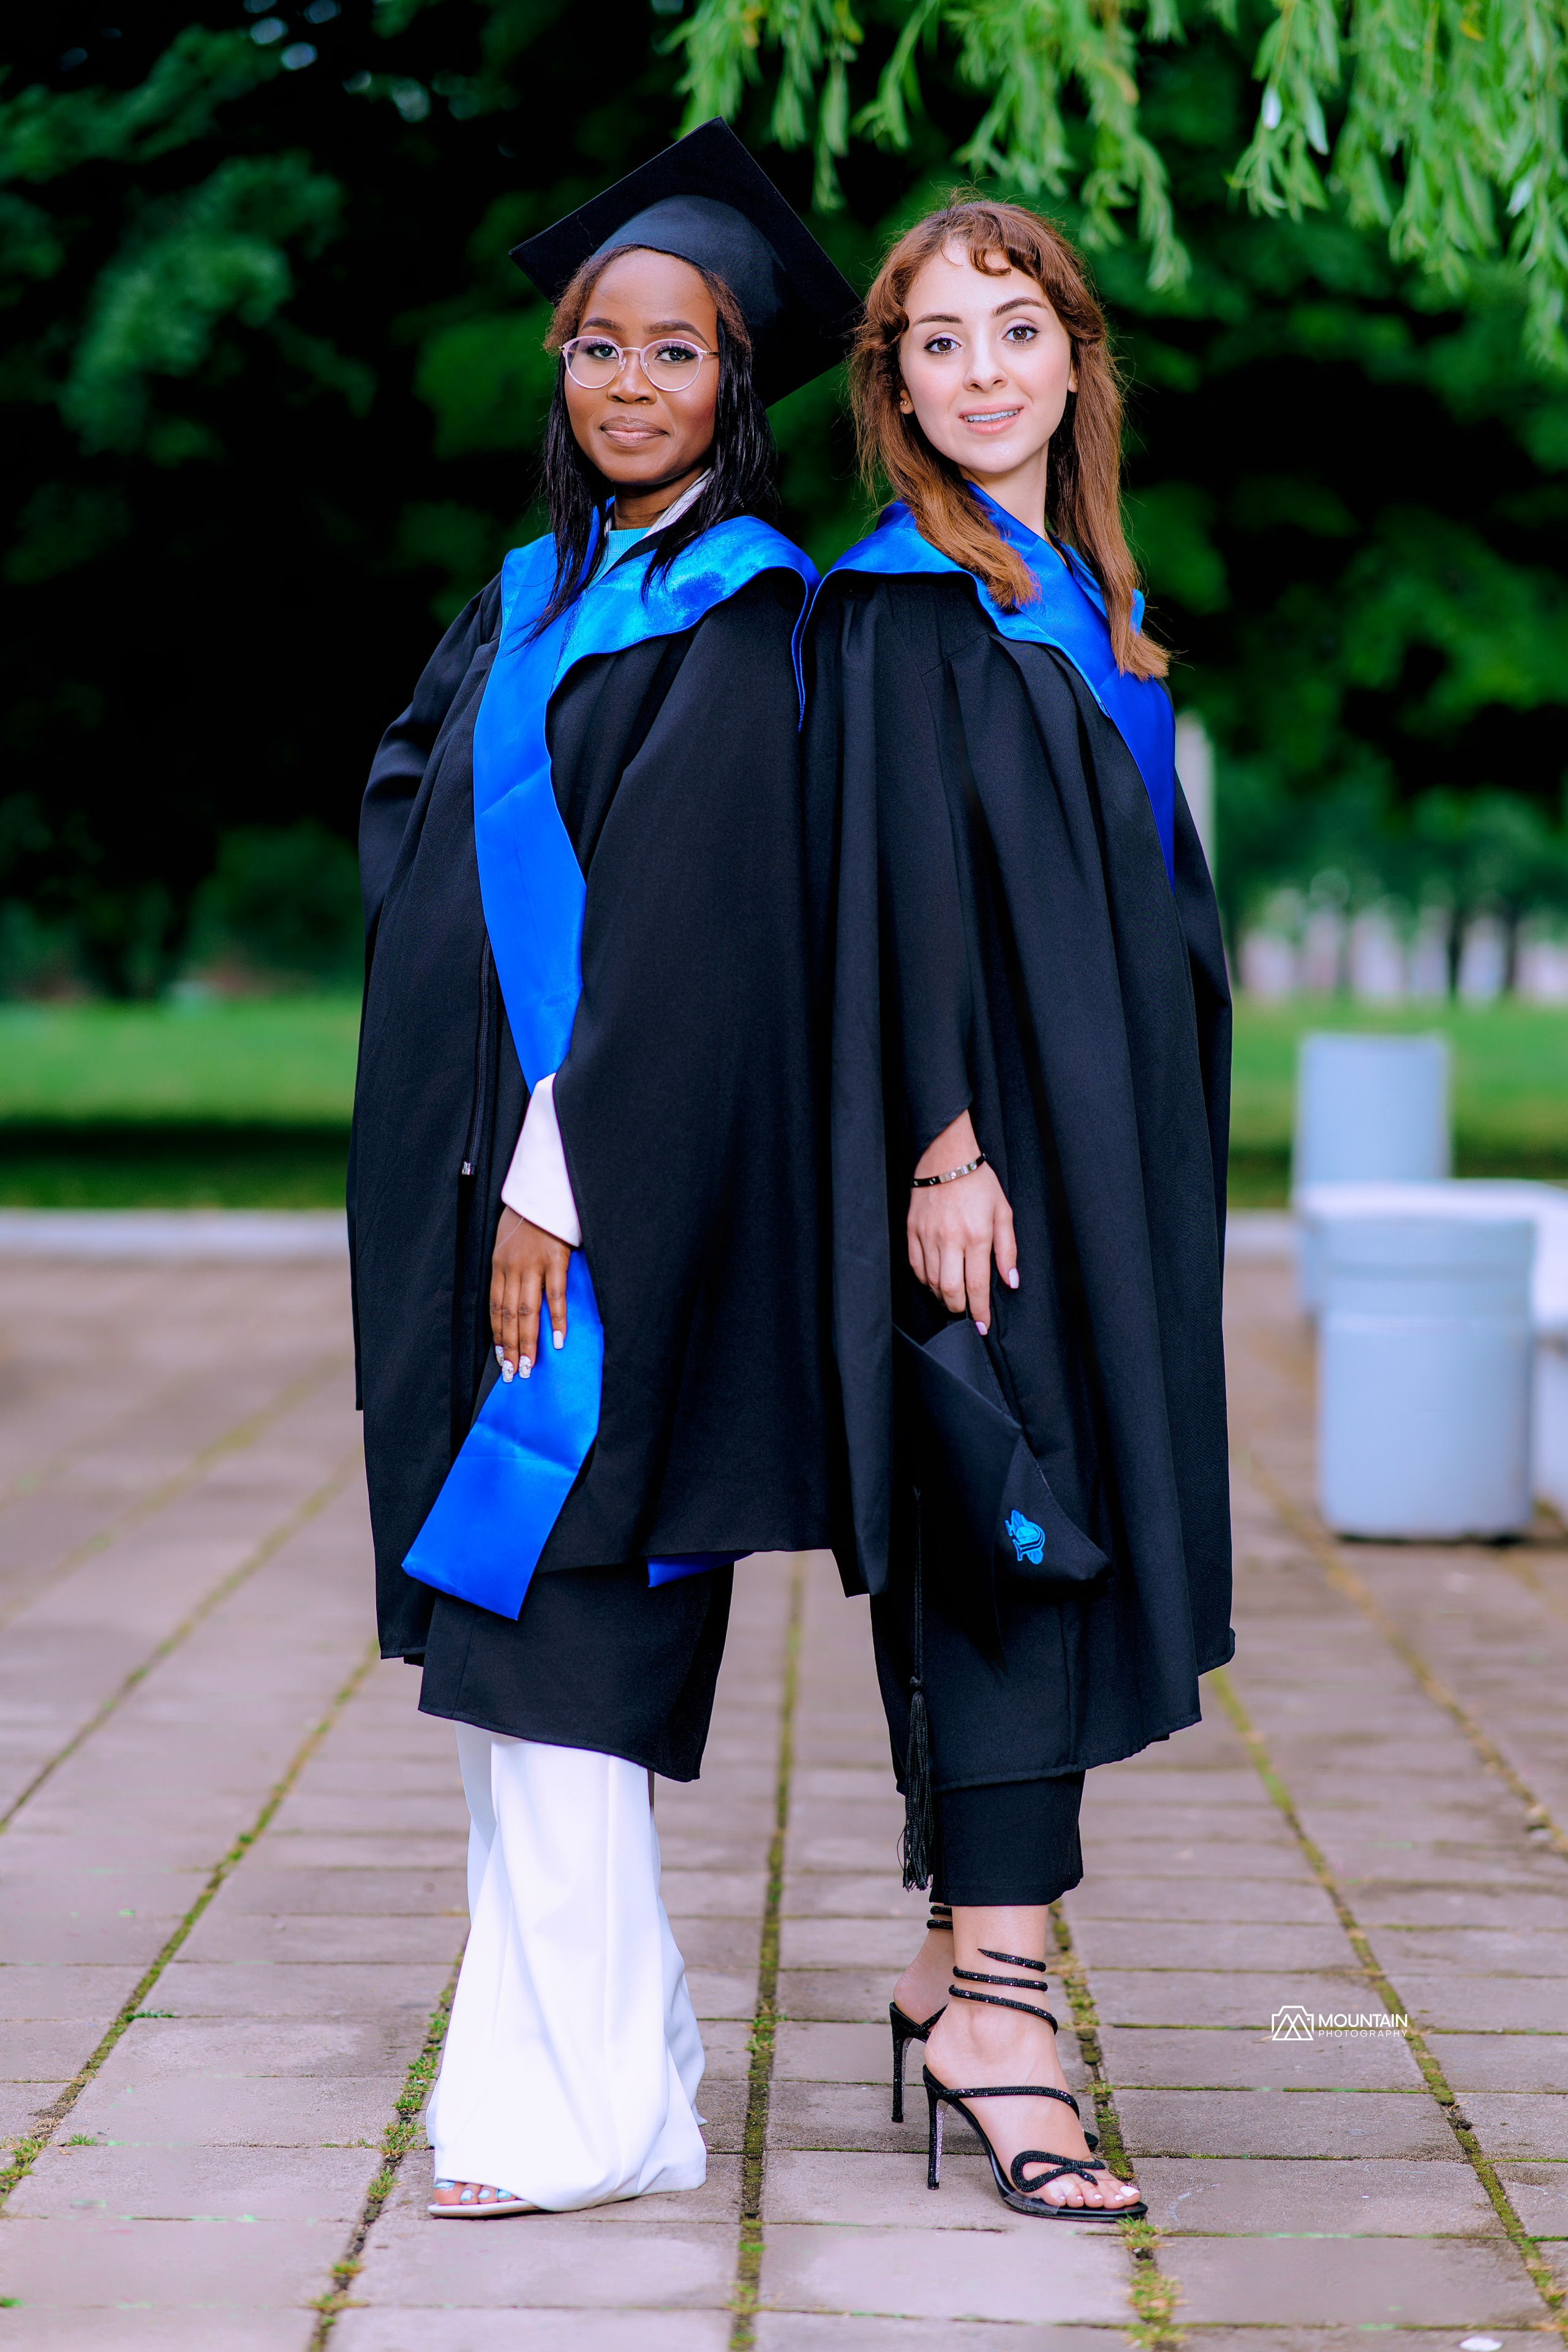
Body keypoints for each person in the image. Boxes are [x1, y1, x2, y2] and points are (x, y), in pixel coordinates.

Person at [349, 121, 856, 2217]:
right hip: (471, 1177)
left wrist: (560, 1176)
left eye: (677, 352)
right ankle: (615, 2089)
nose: (629, 384)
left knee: (559, 1642)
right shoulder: (536, 593)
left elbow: (687, 951)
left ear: (741, 385)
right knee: (505, 1659)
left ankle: (573, 2123)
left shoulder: (744, 620)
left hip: (592, 1204)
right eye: (594, 346)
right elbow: (411, 806)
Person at [805, 198, 1232, 2220]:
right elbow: (889, 896)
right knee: (1013, 1534)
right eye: (937, 343)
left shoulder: (1077, 589)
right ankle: (999, 2010)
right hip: (997, 1160)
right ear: (893, 387)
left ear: (1074, 356)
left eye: (1015, 329)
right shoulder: (899, 610)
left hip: (1107, 1145)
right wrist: (941, 1147)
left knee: (1040, 1515)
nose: (982, 370)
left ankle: (942, 1964)